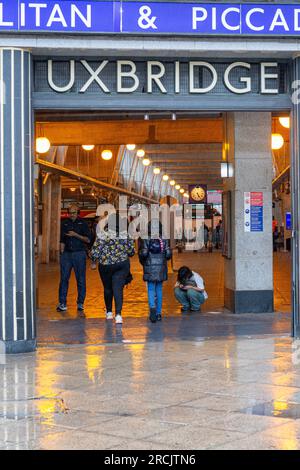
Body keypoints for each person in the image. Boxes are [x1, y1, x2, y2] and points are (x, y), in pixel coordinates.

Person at [90, 213, 135, 324]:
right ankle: (118, 315)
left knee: (108, 288)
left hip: (105, 265)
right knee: (118, 288)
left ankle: (109, 313)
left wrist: (94, 260)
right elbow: (131, 251)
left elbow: (95, 252)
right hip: (121, 264)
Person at [57, 204, 91, 315]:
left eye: (74, 212)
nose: (71, 215)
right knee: (64, 279)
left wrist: (76, 235)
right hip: (66, 254)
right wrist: (61, 254)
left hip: (79, 254)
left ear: (78, 212)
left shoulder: (83, 224)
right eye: (70, 213)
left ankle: (80, 303)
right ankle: (62, 303)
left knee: (80, 279)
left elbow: (88, 240)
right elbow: (62, 239)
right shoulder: (64, 223)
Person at [138, 220, 172, 323]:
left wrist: (144, 262)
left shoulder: (146, 239)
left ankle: (152, 308)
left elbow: (143, 254)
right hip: (161, 268)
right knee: (159, 290)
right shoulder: (164, 238)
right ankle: (158, 313)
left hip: (149, 267)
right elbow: (168, 254)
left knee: (151, 289)